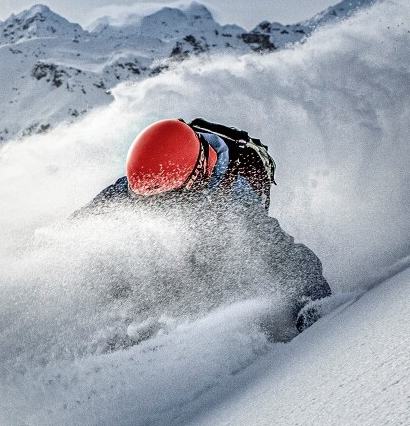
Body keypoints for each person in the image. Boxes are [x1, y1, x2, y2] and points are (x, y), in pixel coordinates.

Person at [81, 118, 331, 334]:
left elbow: (288, 259)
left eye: (163, 200)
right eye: (144, 199)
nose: (154, 207)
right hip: (189, 204)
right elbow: (98, 214)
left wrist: (311, 311)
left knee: (211, 268)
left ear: (193, 182)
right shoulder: (154, 176)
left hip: (221, 235)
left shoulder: (234, 204)